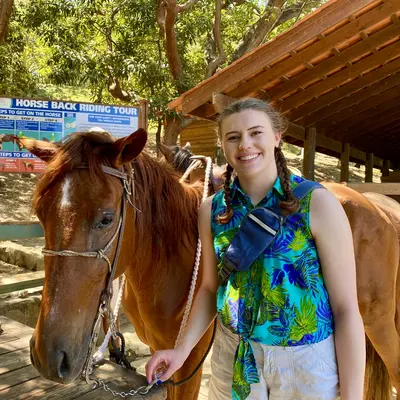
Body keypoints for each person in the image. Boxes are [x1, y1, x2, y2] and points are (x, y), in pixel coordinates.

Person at [146, 98, 365, 399]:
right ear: (223, 145)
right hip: (233, 356)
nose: (245, 144)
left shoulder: (316, 203)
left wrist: (353, 395)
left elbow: (346, 309)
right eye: (233, 137)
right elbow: (211, 289)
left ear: (276, 138)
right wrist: (181, 351)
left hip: (304, 362)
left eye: (256, 133)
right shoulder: (211, 210)